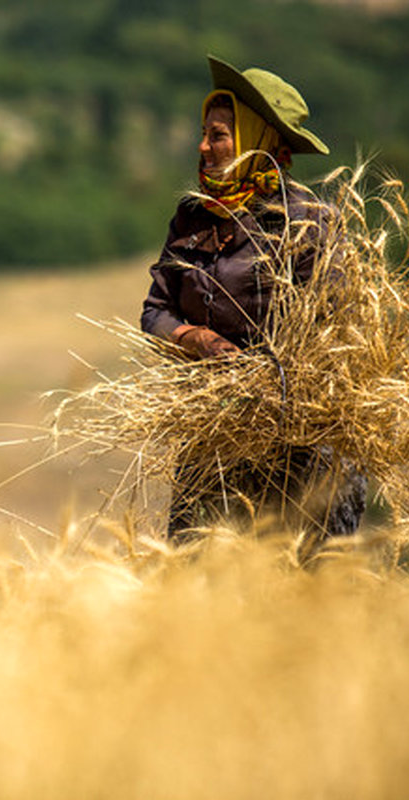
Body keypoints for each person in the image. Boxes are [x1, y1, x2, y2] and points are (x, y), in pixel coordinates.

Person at [140, 56, 367, 544]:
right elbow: (155, 312)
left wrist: (267, 383)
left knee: (308, 596)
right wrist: (196, 338)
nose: (203, 147)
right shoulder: (191, 219)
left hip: (301, 446)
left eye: (219, 135)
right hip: (215, 442)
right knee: (193, 587)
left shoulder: (307, 222)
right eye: (204, 133)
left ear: (256, 141)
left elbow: (335, 330)